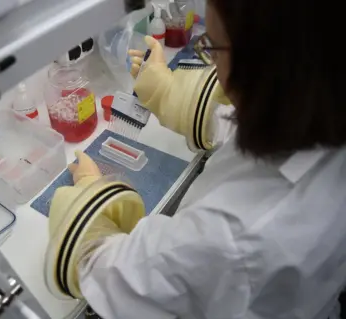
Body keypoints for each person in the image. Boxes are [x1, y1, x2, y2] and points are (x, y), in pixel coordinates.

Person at [49, 0, 346, 318]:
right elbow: (258, 127)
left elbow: (109, 274)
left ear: (266, 71)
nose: (213, 64)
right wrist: (168, 92)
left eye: (213, 49)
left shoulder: (232, 235)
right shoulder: (326, 107)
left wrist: (89, 191)